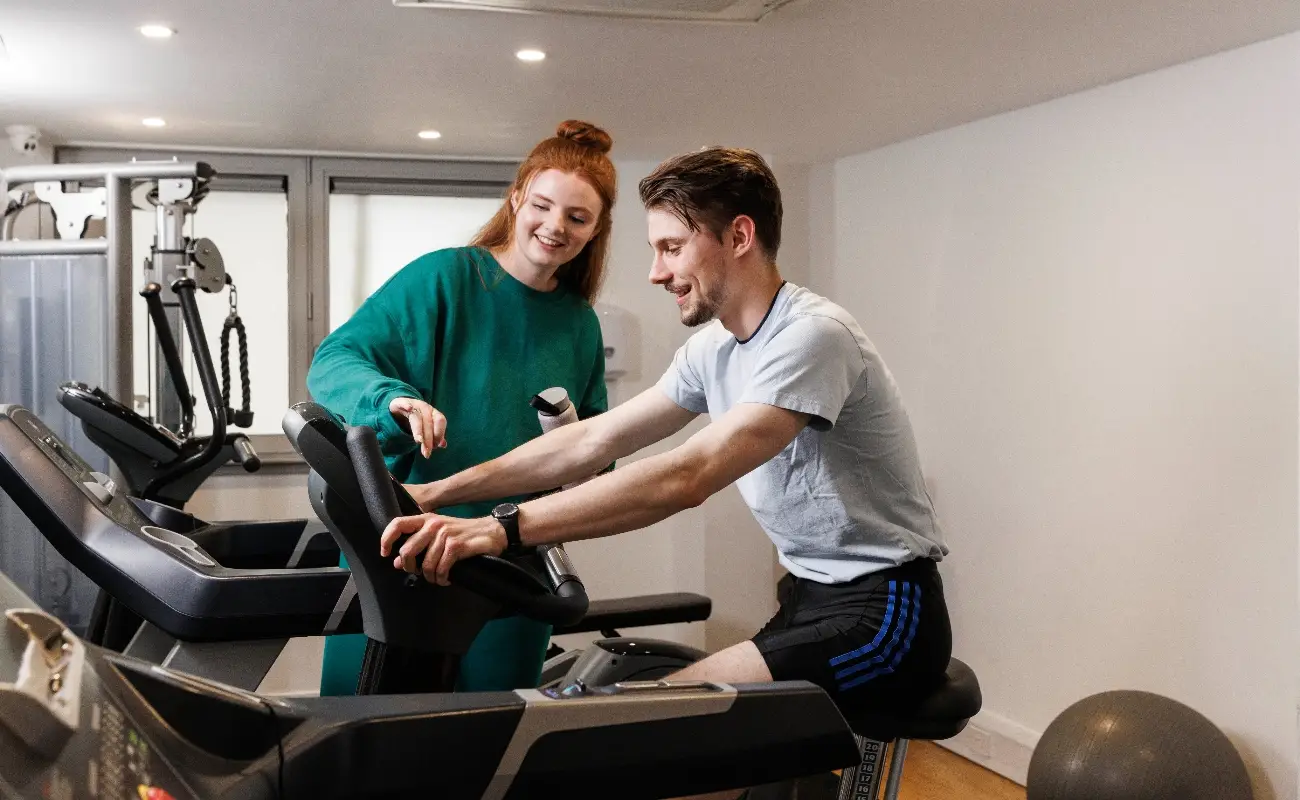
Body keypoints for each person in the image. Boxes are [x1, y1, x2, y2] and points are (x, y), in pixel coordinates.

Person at [381, 147, 952, 732]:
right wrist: (437, 494)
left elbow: (689, 475)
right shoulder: (716, 347)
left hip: (885, 611)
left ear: (739, 236)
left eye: (672, 248)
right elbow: (590, 441)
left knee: (645, 726)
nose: (656, 273)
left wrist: (498, 529)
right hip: (808, 597)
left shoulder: (813, 336)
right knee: (671, 745)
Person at [306, 120, 617, 695]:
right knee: (359, 738)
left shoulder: (579, 324)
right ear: (517, 196)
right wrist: (391, 400)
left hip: (510, 564)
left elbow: (598, 452)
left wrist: (583, 455)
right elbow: (333, 361)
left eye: (577, 218)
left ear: (595, 229)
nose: (555, 228)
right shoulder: (445, 278)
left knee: (481, 747)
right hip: (402, 556)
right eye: (543, 206)